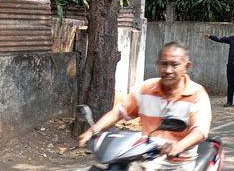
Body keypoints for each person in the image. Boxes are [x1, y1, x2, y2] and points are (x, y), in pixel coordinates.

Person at [78, 42, 211, 170]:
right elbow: (119, 112)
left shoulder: (197, 94)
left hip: (177, 162)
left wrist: (179, 146)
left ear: (186, 67)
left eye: (174, 65)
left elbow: (200, 131)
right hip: (144, 158)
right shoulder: (146, 88)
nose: (168, 70)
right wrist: (92, 130)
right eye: (164, 64)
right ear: (157, 65)